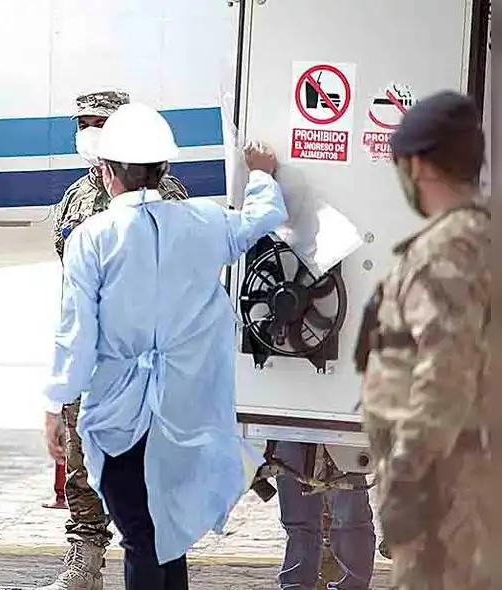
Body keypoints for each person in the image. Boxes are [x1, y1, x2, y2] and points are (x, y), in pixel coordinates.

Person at [43, 102, 288, 590]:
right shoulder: (203, 222)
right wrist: (261, 174)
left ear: (107, 172)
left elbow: (76, 333)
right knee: (163, 536)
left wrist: (55, 405)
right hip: (186, 410)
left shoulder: (92, 237)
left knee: (142, 535)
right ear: (165, 169)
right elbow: (263, 216)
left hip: (120, 415)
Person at [44, 89, 188, 590]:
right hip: (94, 352)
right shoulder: (75, 197)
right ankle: (84, 552)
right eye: (82, 122)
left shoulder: (167, 194)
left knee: (145, 478)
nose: (89, 131)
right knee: (81, 454)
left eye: (99, 122)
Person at [357, 90, 491, 589]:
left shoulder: (446, 252)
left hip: (449, 487)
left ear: (416, 165)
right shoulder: (484, 238)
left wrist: (409, 478)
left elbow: (444, 375)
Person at [273, 442, 375, 589]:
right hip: (291, 428)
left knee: (349, 518)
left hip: (340, 428)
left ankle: (352, 586)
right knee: (299, 520)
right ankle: (295, 584)